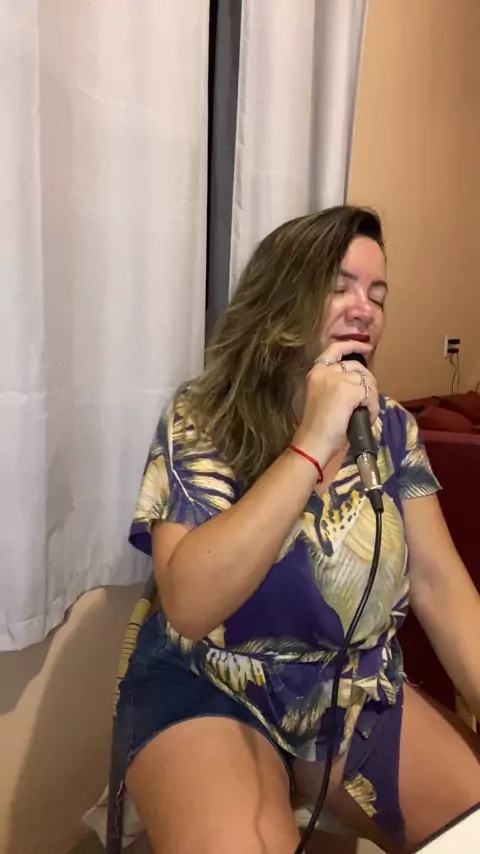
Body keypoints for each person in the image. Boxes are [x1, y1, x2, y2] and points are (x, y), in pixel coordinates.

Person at [117, 206, 480, 854]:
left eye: (378, 295)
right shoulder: (203, 416)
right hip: (208, 681)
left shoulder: (393, 429)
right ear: (282, 300)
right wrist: (311, 444)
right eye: (340, 287)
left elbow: (437, 582)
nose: (365, 309)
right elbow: (190, 605)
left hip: (349, 687)